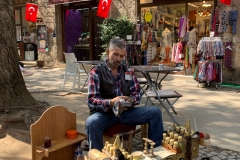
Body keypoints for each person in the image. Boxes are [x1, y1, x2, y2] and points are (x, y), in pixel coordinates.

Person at [85, 37, 164, 151]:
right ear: (108, 52)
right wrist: (111, 102)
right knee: (92, 122)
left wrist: (131, 100)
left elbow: (137, 93)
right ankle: (97, 156)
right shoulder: (96, 72)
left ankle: (156, 151)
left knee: (155, 112)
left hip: (126, 113)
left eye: (121, 56)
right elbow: (91, 101)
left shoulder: (128, 71)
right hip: (106, 115)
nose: (118, 59)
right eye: (115, 54)